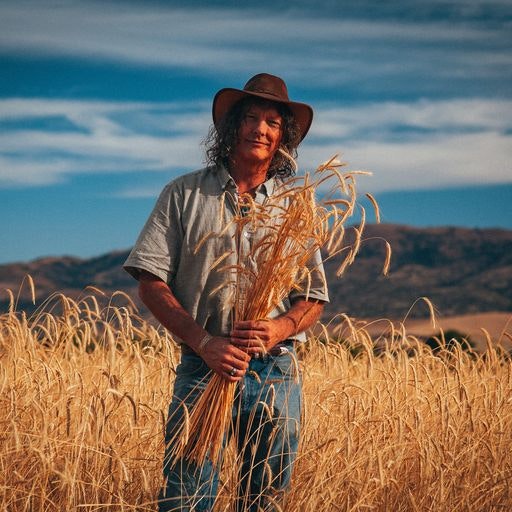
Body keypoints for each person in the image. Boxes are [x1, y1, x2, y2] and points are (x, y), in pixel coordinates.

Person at [124, 73, 329, 511]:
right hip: (202, 369)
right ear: (232, 127)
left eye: (273, 122)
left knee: (265, 502)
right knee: (186, 499)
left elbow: (312, 298)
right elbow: (150, 281)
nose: (261, 129)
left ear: (283, 137)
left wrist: (278, 330)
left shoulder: (294, 209)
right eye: (251, 117)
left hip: (275, 374)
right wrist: (205, 342)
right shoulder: (183, 194)